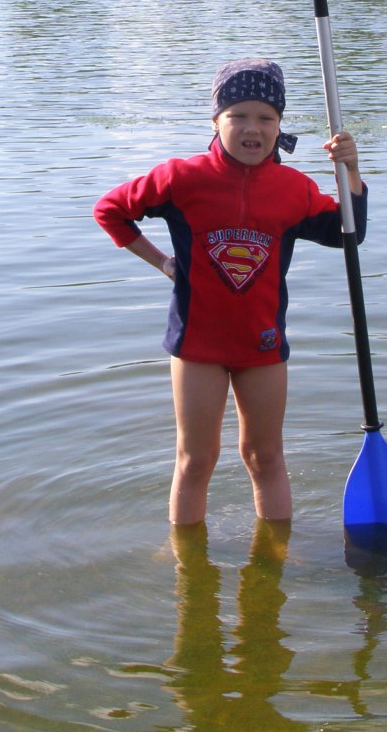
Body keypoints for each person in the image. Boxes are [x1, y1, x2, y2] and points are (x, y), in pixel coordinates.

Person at [94, 58, 366, 525]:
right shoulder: (182, 178)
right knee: (195, 460)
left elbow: (350, 233)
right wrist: (162, 262)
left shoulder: (294, 189)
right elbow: (111, 210)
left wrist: (352, 171)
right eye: (237, 115)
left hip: (262, 343)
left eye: (266, 117)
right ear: (215, 121)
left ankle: (276, 554)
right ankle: (185, 559)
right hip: (197, 345)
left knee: (266, 458)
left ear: (279, 125)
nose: (252, 128)